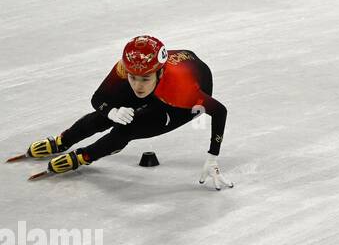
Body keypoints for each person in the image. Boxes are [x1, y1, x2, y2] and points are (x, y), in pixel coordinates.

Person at [14, 36, 233, 187]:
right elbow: (98, 99)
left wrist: (213, 156)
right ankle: (62, 141)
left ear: (159, 73)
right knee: (104, 115)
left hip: (180, 104)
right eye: (132, 77)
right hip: (167, 79)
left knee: (128, 127)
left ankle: (84, 155)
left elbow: (220, 111)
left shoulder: (182, 91)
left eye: (144, 78)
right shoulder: (124, 68)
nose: (138, 85)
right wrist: (110, 112)